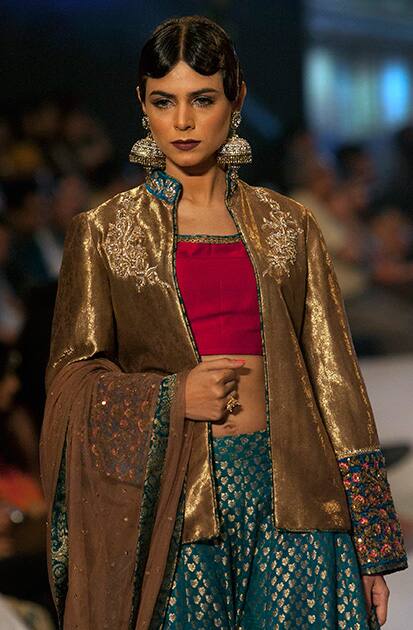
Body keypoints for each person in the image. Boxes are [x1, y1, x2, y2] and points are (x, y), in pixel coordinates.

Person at [40, 15, 407, 630]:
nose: (182, 122)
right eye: (165, 101)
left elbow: (336, 382)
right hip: (178, 511)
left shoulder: (290, 225)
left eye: (202, 99)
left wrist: (371, 545)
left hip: (296, 499)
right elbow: (70, 382)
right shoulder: (104, 232)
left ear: (235, 98)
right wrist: (171, 396)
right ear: (142, 104)